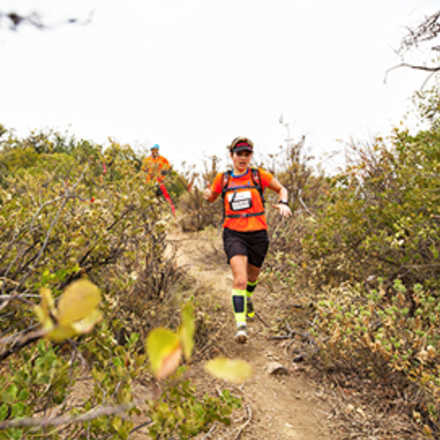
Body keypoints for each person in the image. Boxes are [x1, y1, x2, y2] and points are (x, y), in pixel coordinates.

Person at [203, 136, 292, 343]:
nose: (243, 158)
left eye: (247, 154)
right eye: (239, 154)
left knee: (252, 278)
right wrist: (207, 194)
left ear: (251, 155)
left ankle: (248, 297)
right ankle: (241, 326)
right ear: (231, 155)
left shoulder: (258, 175)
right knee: (240, 279)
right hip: (234, 233)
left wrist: (284, 202)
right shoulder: (223, 178)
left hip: (258, 234)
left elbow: (281, 189)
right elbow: (211, 197)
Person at [142, 144, 175, 215]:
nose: (154, 152)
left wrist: (165, 172)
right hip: (149, 182)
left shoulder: (163, 159)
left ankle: (159, 213)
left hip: (159, 182)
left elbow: (169, 168)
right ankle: (148, 213)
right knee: (148, 198)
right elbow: (143, 170)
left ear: (158, 150)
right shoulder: (147, 160)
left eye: (155, 150)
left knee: (159, 198)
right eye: (153, 150)